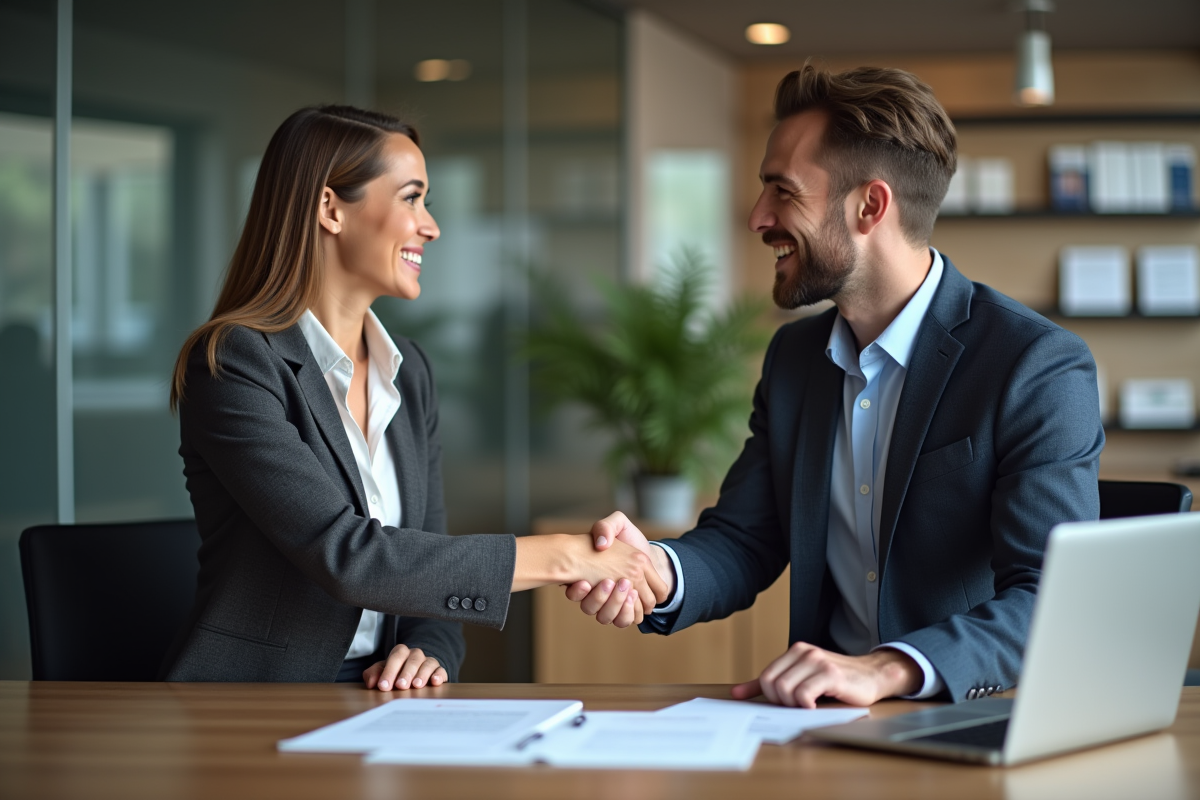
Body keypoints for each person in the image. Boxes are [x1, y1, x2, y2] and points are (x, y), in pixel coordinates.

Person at [570, 64, 1104, 707]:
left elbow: (1050, 597)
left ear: (870, 206)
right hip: (821, 721)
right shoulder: (794, 358)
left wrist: (885, 668)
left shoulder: (1034, 365)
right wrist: (659, 571)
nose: (757, 217)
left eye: (782, 190)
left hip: (974, 720)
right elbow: (745, 539)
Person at [160, 105, 665, 688]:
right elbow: (349, 555)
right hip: (258, 700)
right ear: (330, 209)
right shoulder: (235, 362)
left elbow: (426, 555)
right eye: (411, 198)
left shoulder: (410, 371)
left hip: (382, 699)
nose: (431, 226)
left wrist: (431, 650)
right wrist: (567, 555)